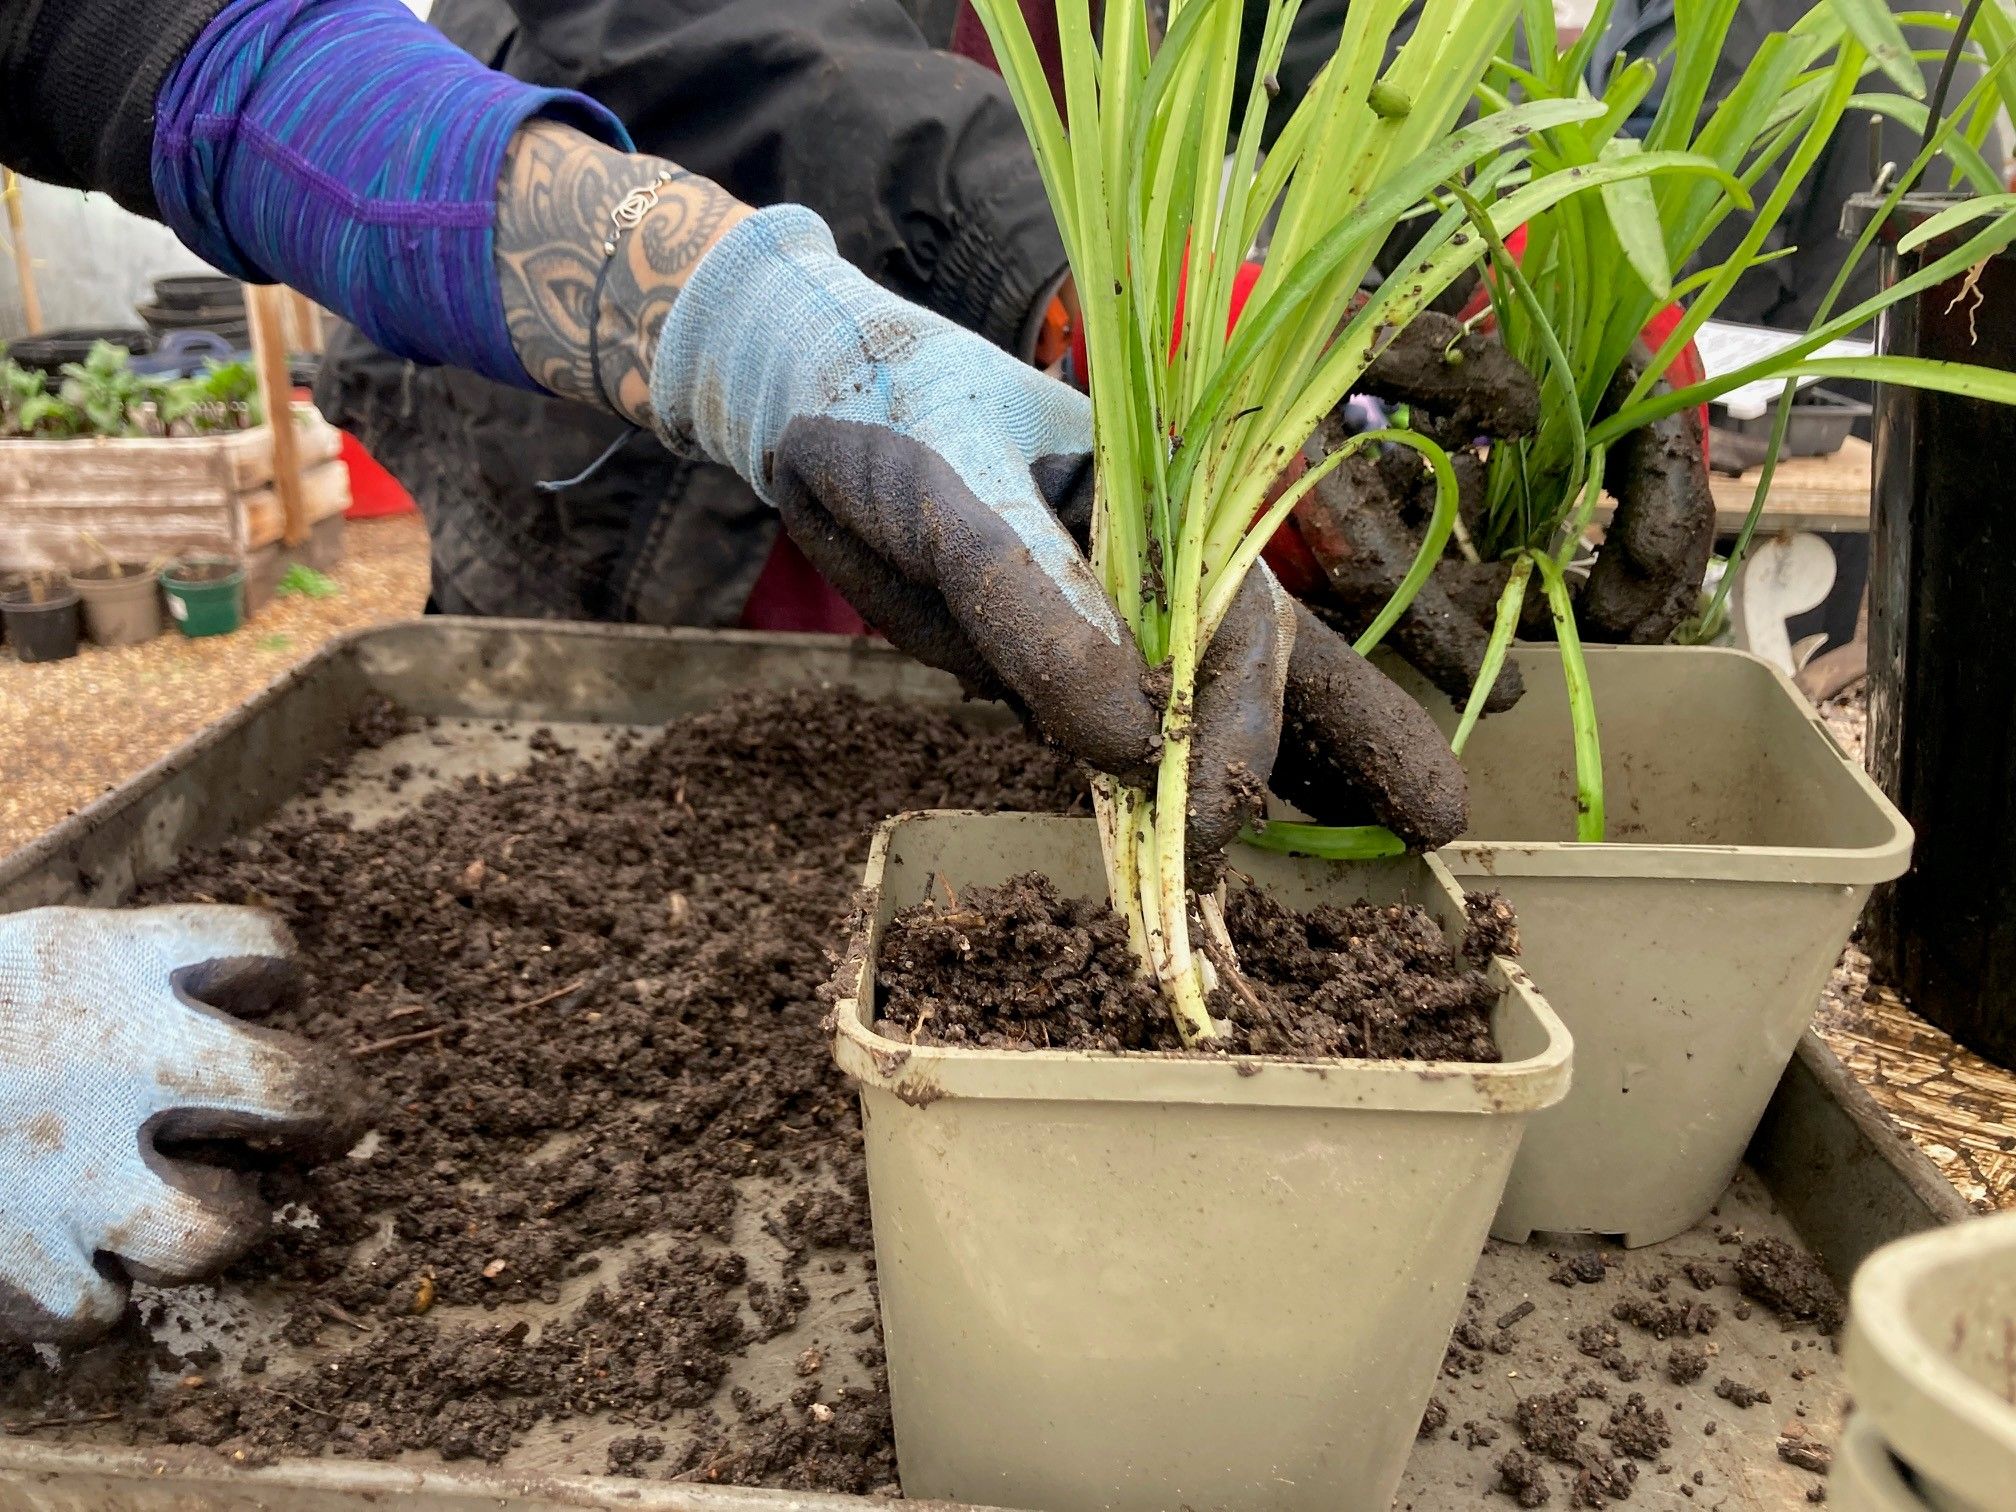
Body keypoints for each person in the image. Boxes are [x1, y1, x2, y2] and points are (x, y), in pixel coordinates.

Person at [0, 0, 1463, 1343]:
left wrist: (757, 326)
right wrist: (1026, 256)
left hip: (896, 360)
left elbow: (214, 56)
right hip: (631, 472)